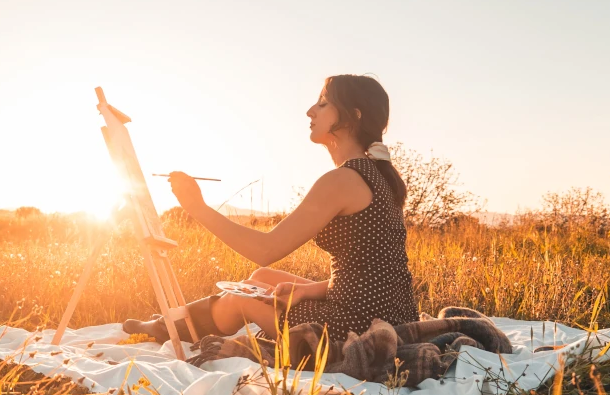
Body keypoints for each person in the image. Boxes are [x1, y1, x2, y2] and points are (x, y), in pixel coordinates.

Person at [123, 74, 419, 356]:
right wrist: (306, 292)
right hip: (392, 310)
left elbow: (264, 250)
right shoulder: (377, 174)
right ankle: (170, 322)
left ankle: (165, 328)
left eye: (322, 103)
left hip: (357, 325)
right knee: (263, 279)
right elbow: (374, 271)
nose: (309, 111)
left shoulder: (342, 180)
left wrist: (196, 208)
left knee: (240, 300)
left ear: (353, 115)